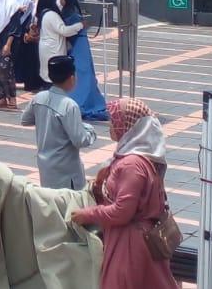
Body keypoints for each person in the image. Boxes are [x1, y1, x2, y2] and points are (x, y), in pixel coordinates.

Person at [70, 99, 177, 289]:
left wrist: (87, 214)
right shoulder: (134, 157)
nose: (110, 125)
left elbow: (122, 212)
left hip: (130, 245)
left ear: (129, 127)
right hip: (132, 239)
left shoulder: (131, 165)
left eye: (115, 121)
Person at [21, 55, 96, 189]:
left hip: (46, 166)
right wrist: (90, 130)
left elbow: (25, 120)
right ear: (71, 78)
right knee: (69, 206)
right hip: (67, 171)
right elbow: (80, 140)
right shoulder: (69, 105)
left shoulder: (39, 98)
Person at [60, 0, 108, 120]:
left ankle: (81, 102)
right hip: (76, 45)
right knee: (80, 73)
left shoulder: (72, 14)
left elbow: (69, 30)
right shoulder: (68, 11)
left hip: (78, 46)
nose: (60, 0)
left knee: (81, 74)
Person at [10, 0, 43, 92]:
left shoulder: (28, 0)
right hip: (13, 32)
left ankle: (28, 80)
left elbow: (29, 16)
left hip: (24, 31)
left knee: (26, 57)